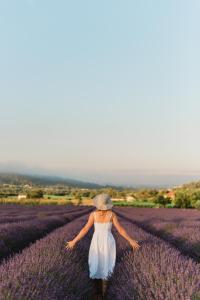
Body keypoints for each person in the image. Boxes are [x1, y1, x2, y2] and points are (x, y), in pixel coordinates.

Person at [65, 193, 141, 299]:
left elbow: (85, 229)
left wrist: (74, 241)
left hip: (96, 241)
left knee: (95, 262)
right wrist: (130, 240)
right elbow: (120, 230)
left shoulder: (93, 215)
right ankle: (105, 293)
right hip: (108, 241)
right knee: (107, 263)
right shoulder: (112, 215)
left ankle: (97, 291)